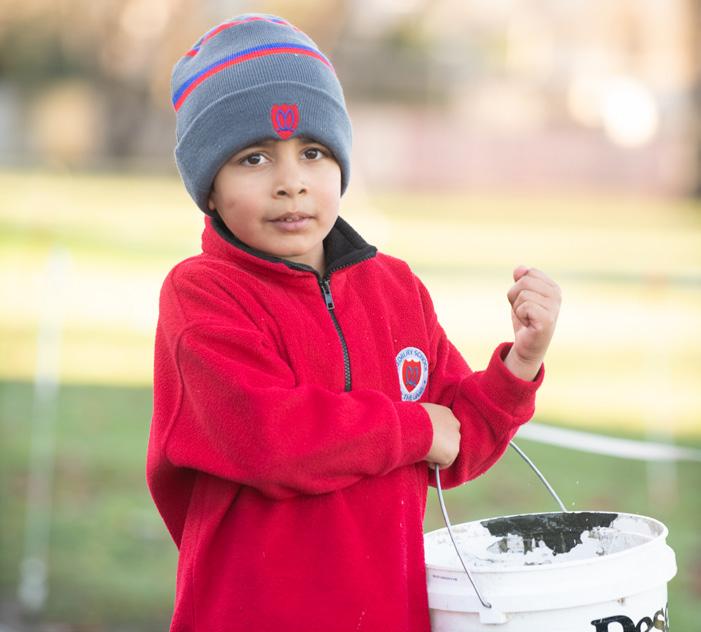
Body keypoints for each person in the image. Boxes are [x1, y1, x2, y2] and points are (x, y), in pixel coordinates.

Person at [146, 13, 561, 632]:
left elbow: (456, 440)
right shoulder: (203, 294)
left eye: (312, 153)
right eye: (254, 158)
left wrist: (520, 365)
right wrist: (413, 428)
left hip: (385, 615)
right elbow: (268, 437)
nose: (291, 183)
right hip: (251, 615)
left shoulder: (395, 290)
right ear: (208, 187)